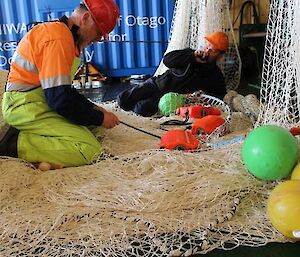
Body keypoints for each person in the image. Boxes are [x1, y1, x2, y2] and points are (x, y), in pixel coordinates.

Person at [0, 0, 120, 170]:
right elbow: (60, 100)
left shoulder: (66, 39)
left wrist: (94, 109)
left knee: (95, 128)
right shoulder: (58, 38)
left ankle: (36, 140)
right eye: (99, 32)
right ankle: (13, 143)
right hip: (24, 105)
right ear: (85, 18)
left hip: (38, 101)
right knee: (88, 150)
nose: (99, 39)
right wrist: (100, 118)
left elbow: (64, 91)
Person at [117, 31, 229, 117]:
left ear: (220, 56)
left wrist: (199, 96)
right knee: (122, 99)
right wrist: (192, 57)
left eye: (212, 50)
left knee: (141, 109)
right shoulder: (189, 53)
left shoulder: (215, 75)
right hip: (156, 84)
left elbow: (220, 96)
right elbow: (167, 60)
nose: (207, 51)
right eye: (207, 46)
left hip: (168, 98)